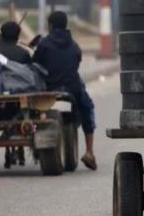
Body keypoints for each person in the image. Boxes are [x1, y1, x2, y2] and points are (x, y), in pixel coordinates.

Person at [32, 11, 97, 170]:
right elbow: (77, 60)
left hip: (50, 88)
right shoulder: (74, 45)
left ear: (50, 25)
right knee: (87, 108)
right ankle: (89, 152)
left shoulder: (44, 44)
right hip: (72, 87)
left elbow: (35, 63)